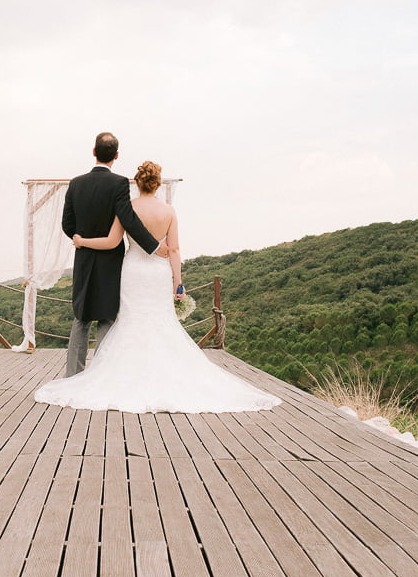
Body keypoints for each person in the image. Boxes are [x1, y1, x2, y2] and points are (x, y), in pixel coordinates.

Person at [35, 161, 281, 413]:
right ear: (158, 184)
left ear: (137, 183)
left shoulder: (126, 208)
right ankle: (165, 375)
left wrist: (82, 240)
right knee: (161, 324)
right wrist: (178, 282)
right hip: (158, 274)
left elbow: (111, 242)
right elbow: (173, 249)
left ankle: (117, 375)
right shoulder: (168, 212)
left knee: (129, 322)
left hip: (132, 272)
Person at [60, 132, 169, 378]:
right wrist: (153, 246)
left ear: (93, 151)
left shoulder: (76, 183)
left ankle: (72, 377)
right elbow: (128, 219)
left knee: (81, 317)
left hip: (84, 258)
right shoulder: (119, 183)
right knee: (107, 317)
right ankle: (100, 376)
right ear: (116, 156)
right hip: (111, 262)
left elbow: (67, 224)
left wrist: (81, 241)